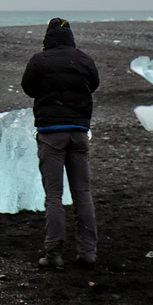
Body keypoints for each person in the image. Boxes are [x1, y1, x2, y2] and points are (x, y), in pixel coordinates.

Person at [21, 17, 100, 269]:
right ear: (71, 39)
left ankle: (54, 253)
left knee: (54, 195)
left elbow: (29, 88)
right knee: (82, 193)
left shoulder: (39, 60)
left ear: (48, 39)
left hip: (51, 132)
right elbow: (94, 85)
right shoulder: (85, 59)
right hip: (79, 132)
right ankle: (88, 251)